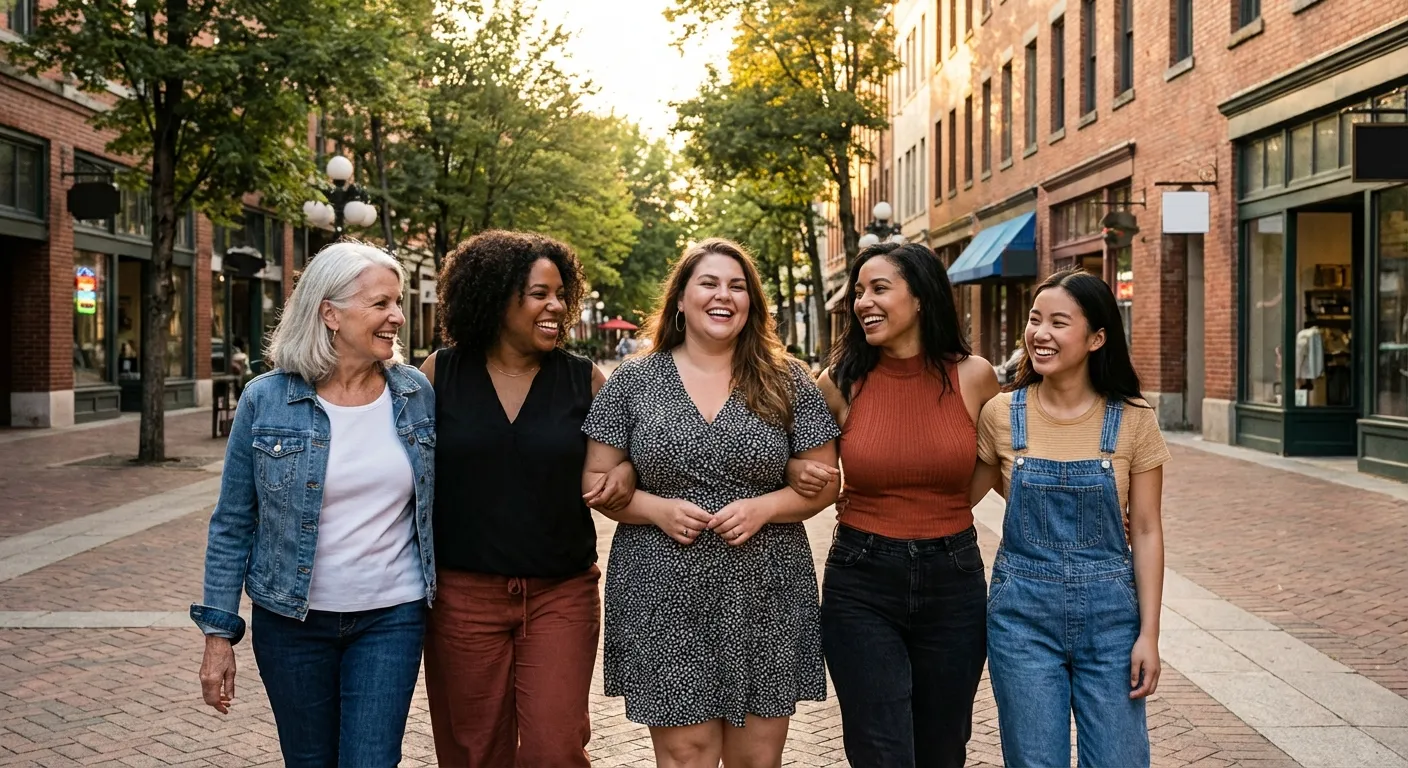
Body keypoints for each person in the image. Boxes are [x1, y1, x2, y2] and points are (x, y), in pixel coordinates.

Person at [581, 237, 841, 768]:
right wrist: (656, 509)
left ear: (752, 303)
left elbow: (827, 482)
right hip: (662, 591)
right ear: (680, 299)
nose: (723, 295)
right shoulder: (634, 380)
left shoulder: (786, 378)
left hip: (766, 590)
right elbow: (596, 482)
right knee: (685, 756)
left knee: (757, 759)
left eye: (737, 286)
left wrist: (765, 507)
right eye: (709, 283)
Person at [192, 242, 436, 767]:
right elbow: (233, 523)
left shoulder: (413, 392)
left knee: (370, 760)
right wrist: (218, 635)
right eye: (380, 304)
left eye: (396, 303)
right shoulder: (266, 398)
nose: (397, 316)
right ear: (330, 312)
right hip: (290, 621)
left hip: (390, 615)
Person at [420, 230, 636, 768]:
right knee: (472, 751)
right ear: (496, 297)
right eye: (540, 294)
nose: (556, 307)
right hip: (462, 596)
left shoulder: (584, 379)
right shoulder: (437, 374)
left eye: (562, 294)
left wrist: (627, 472)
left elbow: (627, 456)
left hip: (560, 593)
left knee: (554, 749)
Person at [786, 242, 999, 768]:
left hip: (954, 580)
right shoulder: (838, 383)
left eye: (879, 288)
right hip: (862, 581)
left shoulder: (974, 376)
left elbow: (996, 465)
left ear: (922, 297)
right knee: (879, 750)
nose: (863, 302)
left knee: (943, 748)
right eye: (859, 291)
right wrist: (794, 469)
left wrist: (943, 513)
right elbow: (793, 463)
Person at [972, 268, 1169, 766]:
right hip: (1021, 620)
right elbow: (958, 498)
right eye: (1035, 319)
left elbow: (1145, 530)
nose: (1040, 333)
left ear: (1097, 338)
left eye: (1059, 322)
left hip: (1113, 621)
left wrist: (1149, 634)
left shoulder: (1132, 418)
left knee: (1119, 760)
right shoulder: (1000, 413)